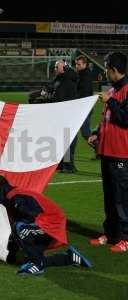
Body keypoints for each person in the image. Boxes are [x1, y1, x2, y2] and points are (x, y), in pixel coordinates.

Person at [0, 174, 92, 276]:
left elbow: (33, 216)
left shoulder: (16, 198)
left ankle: (37, 264)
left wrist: (22, 211)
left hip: (52, 226)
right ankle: (70, 258)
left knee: (21, 228)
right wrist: (12, 252)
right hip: (48, 225)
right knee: (24, 250)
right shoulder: (13, 197)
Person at [88, 52, 128, 253]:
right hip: (107, 151)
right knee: (110, 197)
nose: (105, 72)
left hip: (122, 153)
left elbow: (125, 119)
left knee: (122, 198)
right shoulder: (112, 90)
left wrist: (110, 101)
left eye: (106, 68)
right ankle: (110, 234)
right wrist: (96, 133)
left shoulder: (126, 90)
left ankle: (125, 238)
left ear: (113, 69)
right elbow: (108, 119)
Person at [75, 55, 94, 141]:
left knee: (86, 133)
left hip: (84, 106)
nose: (76, 66)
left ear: (85, 64)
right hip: (84, 106)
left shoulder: (85, 75)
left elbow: (84, 93)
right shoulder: (82, 74)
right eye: (76, 64)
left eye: (79, 64)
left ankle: (99, 148)